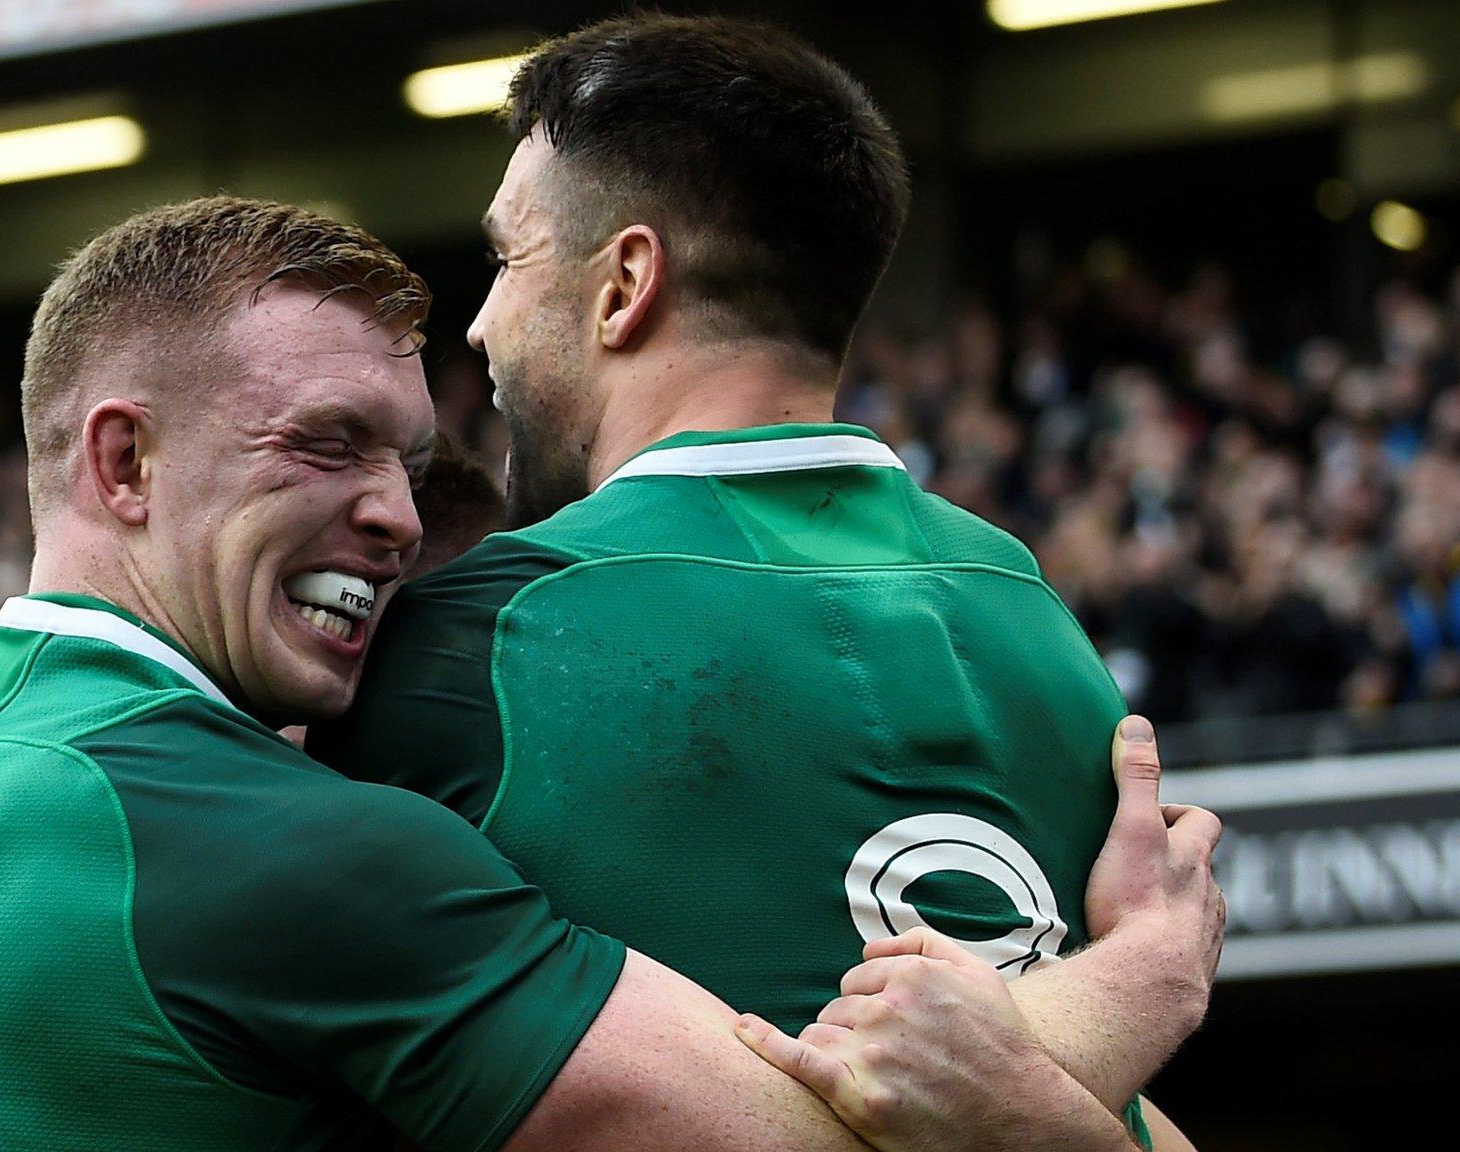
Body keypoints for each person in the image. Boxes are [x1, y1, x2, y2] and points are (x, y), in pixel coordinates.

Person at [0, 198, 1209, 1152]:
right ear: (121, 463)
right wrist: (1126, 984)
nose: (393, 513)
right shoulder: (269, 846)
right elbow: (823, 1135)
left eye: (405, 455)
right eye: (324, 445)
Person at [307, 13, 1210, 1141]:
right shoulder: (1041, 621)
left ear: (624, 282)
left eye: (505, 258)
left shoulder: (468, 641)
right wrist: (1141, 980)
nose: (482, 322)